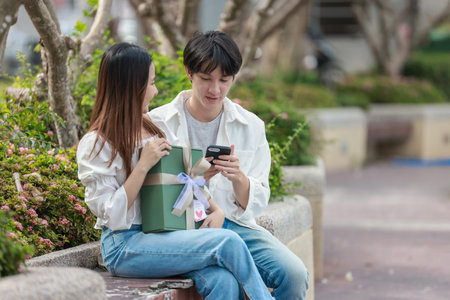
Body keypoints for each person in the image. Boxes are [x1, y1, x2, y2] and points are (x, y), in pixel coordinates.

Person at [76, 42, 272, 300]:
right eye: (151, 83)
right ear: (131, 87)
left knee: (223, 281)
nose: (155, 91)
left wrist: (211, 194)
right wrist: (143, 165)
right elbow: (113, 215)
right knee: (228, 241)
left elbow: (178, 184)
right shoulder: (97, 143)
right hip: (124, 246)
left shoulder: (152, 129)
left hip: (166, 235)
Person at [149, 31, 310, 299]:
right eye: (206, 79)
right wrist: (199, 176)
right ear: (189, 72)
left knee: (293, 274)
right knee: (226, 284)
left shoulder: (251, 126)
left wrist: (239, 179)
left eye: (224, 80)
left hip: (235, 224)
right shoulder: (160, 123)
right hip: (184, 229)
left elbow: (257, 200)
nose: (215, 90)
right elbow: (156, 193)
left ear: (234, 77)